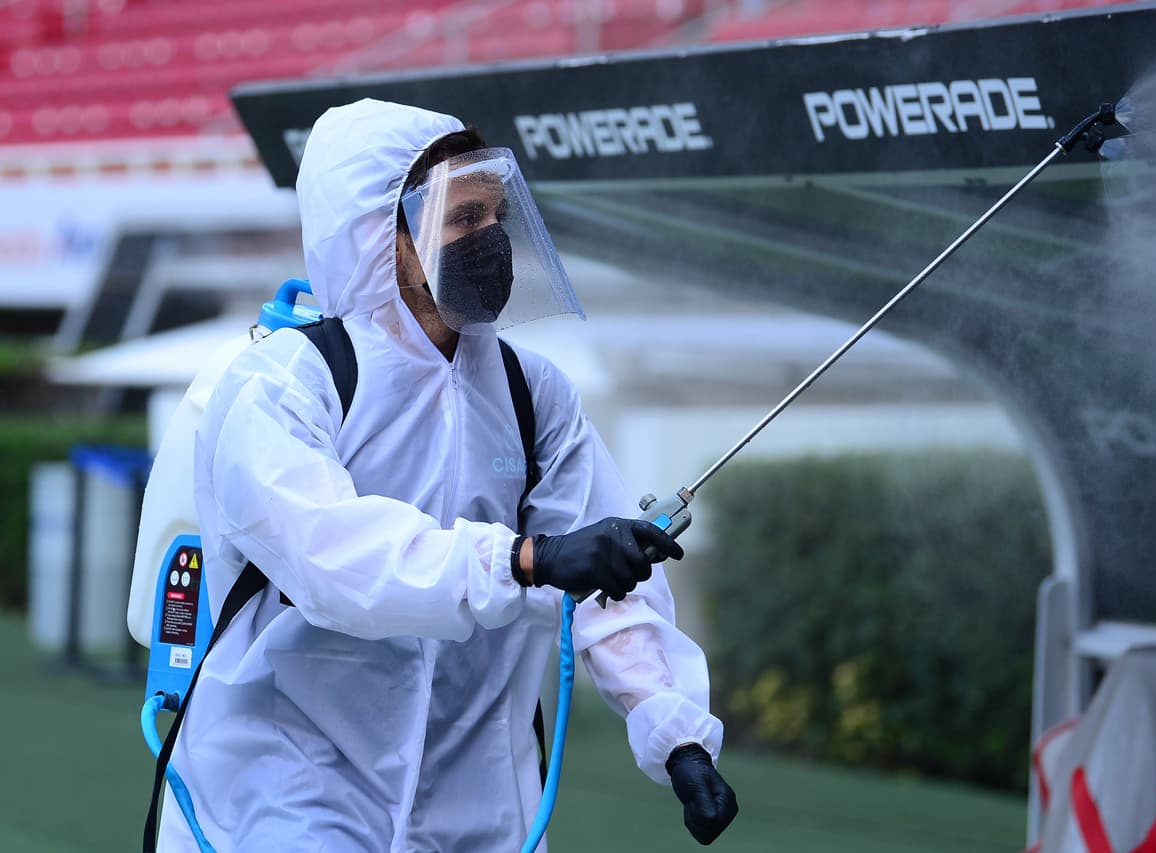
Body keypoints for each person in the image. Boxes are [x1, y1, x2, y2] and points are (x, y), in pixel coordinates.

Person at [157, 97, 738, 850]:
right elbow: (334, 560)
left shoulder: (534, 395)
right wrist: (526, 559)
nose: (490, 238)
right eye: (463, 219)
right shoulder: (284, 384)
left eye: (496, 215)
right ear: (383, 236)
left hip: (477, 805)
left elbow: (602, 585)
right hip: (291, 789)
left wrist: (675, 732)